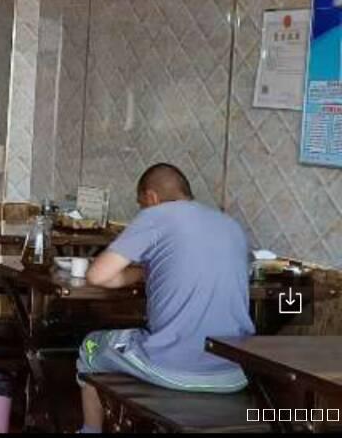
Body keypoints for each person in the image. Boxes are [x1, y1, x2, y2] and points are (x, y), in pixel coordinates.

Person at [77, 163, 254, 433]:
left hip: (172, 367)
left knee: (90, 347)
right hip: (235, 372)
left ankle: (90, 431)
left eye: (141, 204)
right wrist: (148, 271)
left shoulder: (156, 216)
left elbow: (98, 275)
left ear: (151, 198)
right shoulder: (230, 224)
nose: (142, 210)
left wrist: (138, 272)